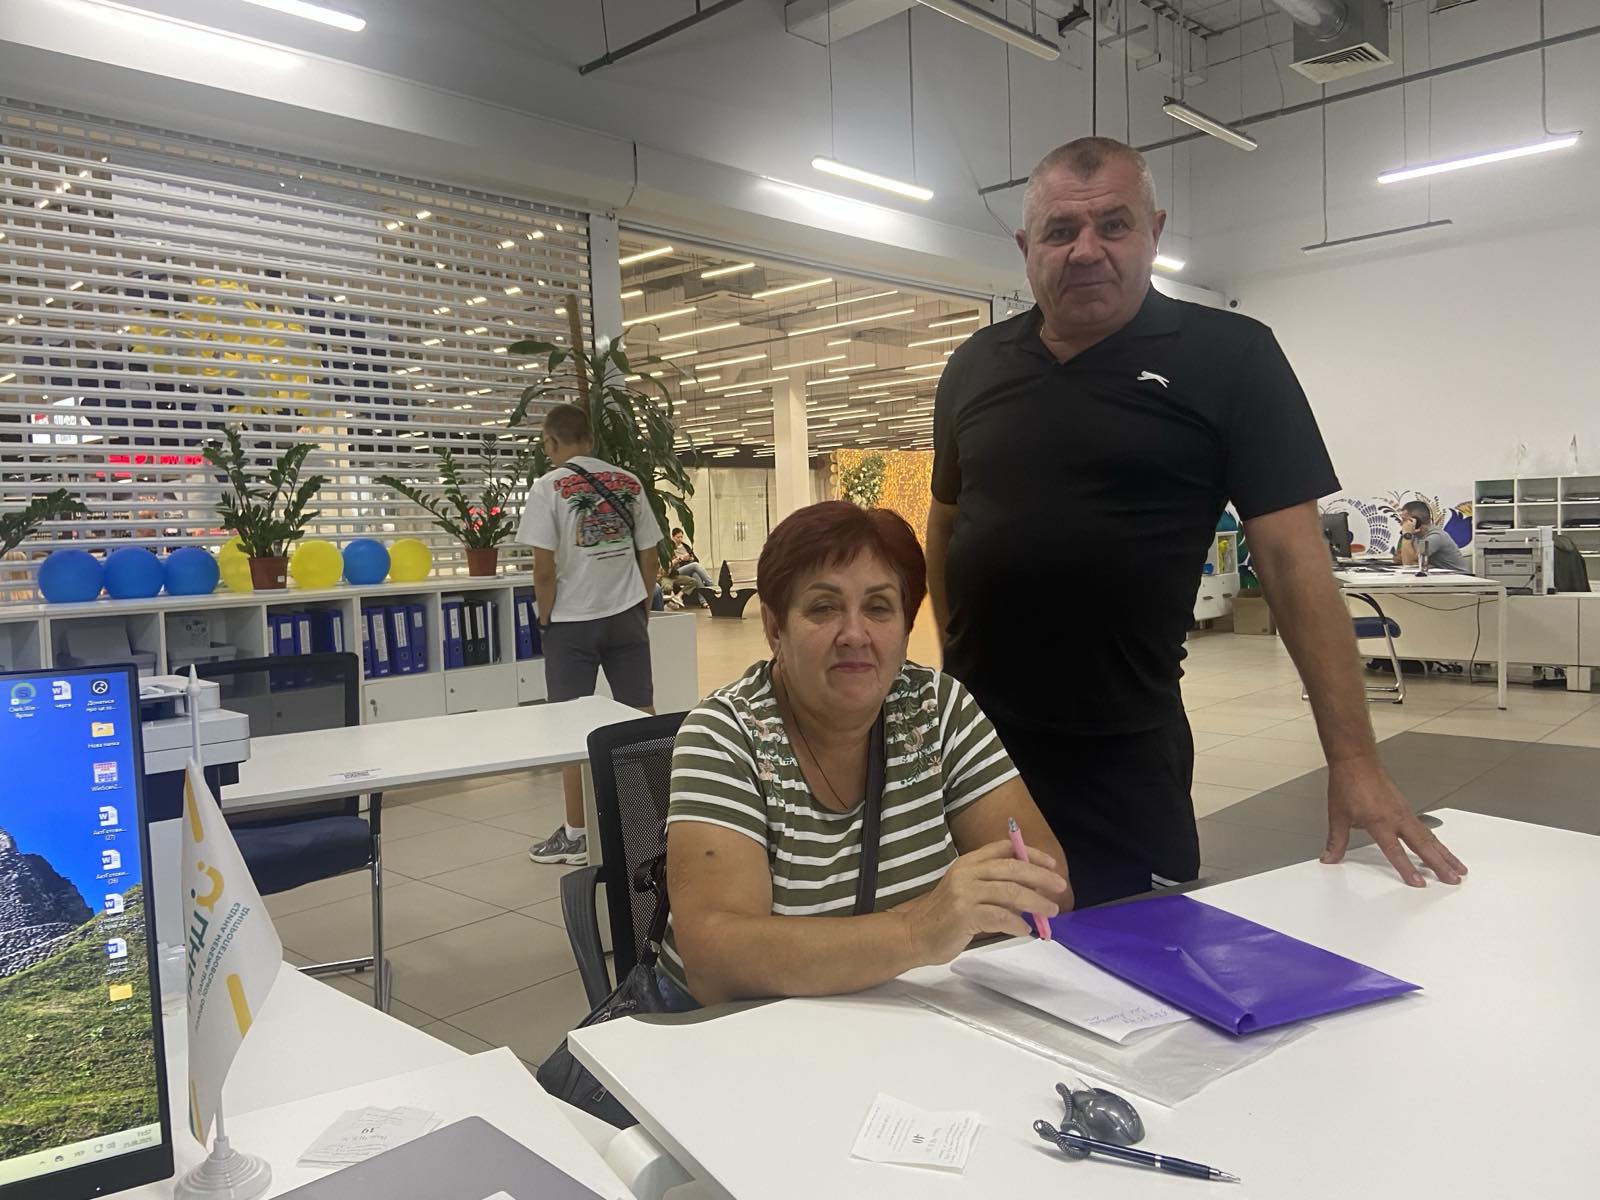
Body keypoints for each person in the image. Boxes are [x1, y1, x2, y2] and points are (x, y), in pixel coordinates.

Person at [926, 137, 1465, 907]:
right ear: (1025, 247)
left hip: (1122, 752)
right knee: (978, 948)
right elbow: (947, 525)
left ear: (1154, 232)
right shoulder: (973, 366)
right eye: (1060, 231)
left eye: (1113, 225)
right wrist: (953, 670)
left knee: (1127, 955)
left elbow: (1293, 561)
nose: (1086, 250)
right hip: (978, 750)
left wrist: (1354, 759)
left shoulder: (1232, 358)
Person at [661, 501, 1070, 1006]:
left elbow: (1048, 886)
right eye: (823, 608)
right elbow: (718, 965)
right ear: (774, 628)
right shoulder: (725, 736)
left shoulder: (935, 708)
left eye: (878, 608)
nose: (854, 634)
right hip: (739, 1034)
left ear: (905, 628)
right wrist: (918, 931)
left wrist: (977, 911)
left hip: (900, 1021)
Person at [517, 403, 661, 866]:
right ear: (591, 438)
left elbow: (543, 570)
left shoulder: (548, 488)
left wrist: (545, 619)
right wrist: (640, 607)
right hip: (626, 616)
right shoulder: (629, 482)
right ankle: (656, 825)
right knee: (641, 718)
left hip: (571, 623)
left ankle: (577, 834)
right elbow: (650, 557)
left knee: (569, 728)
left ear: (552, 441)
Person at [1393, 501, 1469, 573]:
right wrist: (1402, 557)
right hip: (1439, 577)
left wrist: (1407, 534)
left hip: (1458, 578)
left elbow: (1408, 564)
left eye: (1404, 520)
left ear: (1417, 521)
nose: (1402, 523)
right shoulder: (1415, 535)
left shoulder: (1436, 536)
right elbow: (1409, 561)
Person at [668, 527, 714, 605]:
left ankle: (703, 601)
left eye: (681, 537)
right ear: (673, 537)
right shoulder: (670, 548)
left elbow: (695, 559)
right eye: (678, 537)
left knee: (695, 575)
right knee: (695, 565)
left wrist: (690, 558)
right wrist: (681, 558)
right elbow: (669, 563)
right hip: (677, 570)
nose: (680, 539)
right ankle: (711, 584)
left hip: (688, 568)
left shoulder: (686, 546)